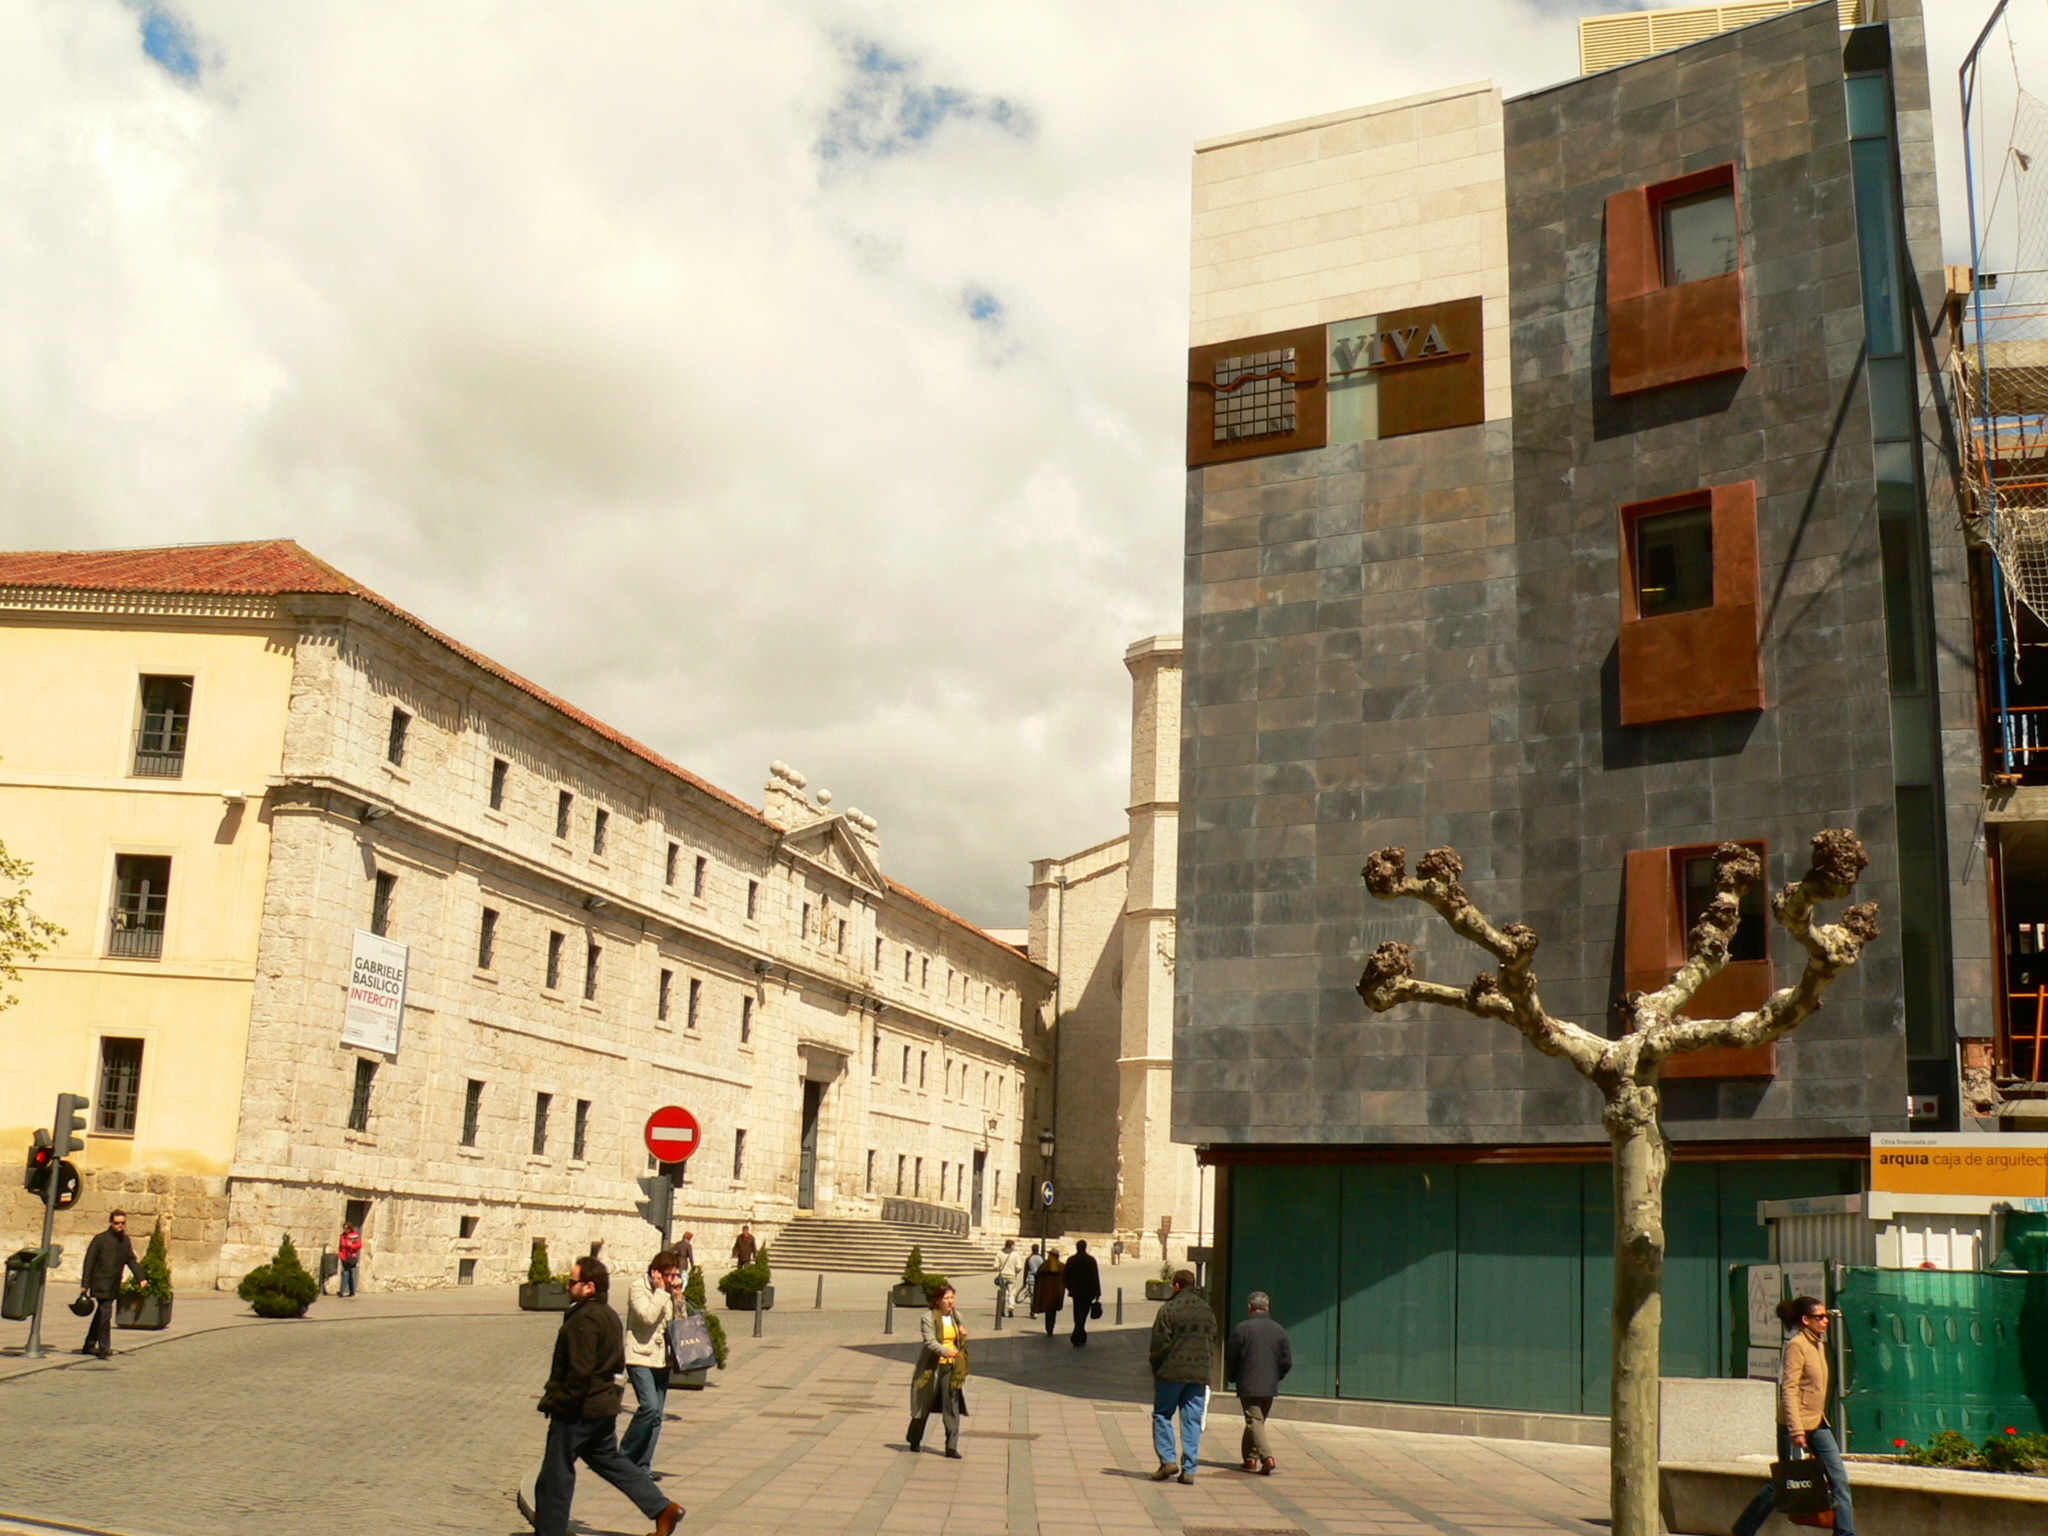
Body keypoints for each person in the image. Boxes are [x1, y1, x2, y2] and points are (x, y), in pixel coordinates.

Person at [532, 1256, 683, 1536]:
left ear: (589, 1287)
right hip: (602, 1406)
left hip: (580, 1410)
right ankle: (663, 1508)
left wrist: (559, 1402)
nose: (567, 1286)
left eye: (572, 1282)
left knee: (555, 1475)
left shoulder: (585, 1319)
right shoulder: (608, 1315)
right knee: (610, 1461)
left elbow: (579, 1371)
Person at [1731, 1296, 1856, 1536]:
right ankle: (1744, 1528)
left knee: (1838, 1477)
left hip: (1818, 1422)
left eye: (1826, 1316)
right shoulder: (1796, 1345)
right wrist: (1796, 1430)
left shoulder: (1817, 1344)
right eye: (1820, 1317)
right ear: (1805, 1320)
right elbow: (1789, 1389)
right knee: (1785, 1481)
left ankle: (1845, 1533)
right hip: (1795, 1424)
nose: (1826, 1320)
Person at [1149, 1269, 1215, 1484]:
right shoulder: (1206, 1309)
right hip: (1199, 1373)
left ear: (1176, 1285)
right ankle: (1189, 1469)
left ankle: (1168, 1460)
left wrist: (1156, 1368)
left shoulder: (1169, 1309)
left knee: (1162, 1415)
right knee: (1192, 1420)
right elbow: (1213, 1338)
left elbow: (1160, 1344)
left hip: (1171, 1372)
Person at [622, 1250, 683, 1473]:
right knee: (649, 1407)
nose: (672, 1280)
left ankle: (643, 1466)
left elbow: (679, 1324)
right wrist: (660, 1292)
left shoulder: (667, 1292)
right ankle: (623, 1456)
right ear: (655, 1273)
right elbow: (647, 1317)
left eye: (675, 1275)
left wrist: (678, 1299)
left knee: (657, 1415)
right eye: (668, 1275)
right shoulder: (638, 1287)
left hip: (662, 1359)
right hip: (640, 1355)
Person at [1226, 1291, 1292, 1474]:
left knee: (1254, 1420)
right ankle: (1250, 1458)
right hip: (1269, 1385)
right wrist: (1277, 1376)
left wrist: (1232, 1376)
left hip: (1248, 1383)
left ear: (1249, 1307)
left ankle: (1266, 1457)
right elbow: (1287, 1361)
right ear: (1267, 1308)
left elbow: (1231, 1357)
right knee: (1256, 1422)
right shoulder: (1279, 1330)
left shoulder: (1241, 1329)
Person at [906, 1282, 968, 1458]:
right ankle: (915, 1439)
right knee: (923, 1405)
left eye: (952, 1297)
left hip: (951, 1368)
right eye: (946, 1298)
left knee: (951, 1405)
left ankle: (951, 1446)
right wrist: (944, 1350)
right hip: (932, 1368)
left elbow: (959, 1341)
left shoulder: (957, 1317)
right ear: (937, 1300)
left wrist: (962, 1334)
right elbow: (929, 1341)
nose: (950, 1301)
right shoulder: (928, 1318)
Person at [78, 1210, 142, 1359]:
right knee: (106, 1312)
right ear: (111, 1223)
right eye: (117, 1223)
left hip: (113, 1284)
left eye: (122, 1223)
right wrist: (85, 1284)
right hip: (100, 1283)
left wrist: (141, 1277)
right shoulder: (100, 1239)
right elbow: (89, 1262)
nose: (120, 1226)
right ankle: (104, 1347)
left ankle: (89, 1344)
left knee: (101, 1314)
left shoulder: (125, 1241)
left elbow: (131, 1260)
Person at [1063, 1239, 1102, 1347]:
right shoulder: (1090, 1260)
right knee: (1083, 1313)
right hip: (1088, 1292)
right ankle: (1079, 1334)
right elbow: (1095, 1277)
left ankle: (1078, 1334)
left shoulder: (1072, 1260)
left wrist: (1069, 1288)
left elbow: (1066, 1276)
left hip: (1076, 1292)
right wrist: (1097, 1292)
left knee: (1077, 1313)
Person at [1034, 1248, 1065, 1336]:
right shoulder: (1061, 1266)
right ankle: (1051, 1328)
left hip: (1046, 1294)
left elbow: (1037, 1278)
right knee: (1053, 1312)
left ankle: (1049, 1329)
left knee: (1049, 1313)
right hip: (1057, 1295)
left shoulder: (1044, 1266)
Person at [993, 1239, 1022, 1318]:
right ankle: (1011, 1307)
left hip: (1002, 1276)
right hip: (1012, 1276)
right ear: (1011, 1246)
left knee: (1003, 1293)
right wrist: (1016, 1271)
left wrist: (1000, 1269)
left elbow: (995, 1266)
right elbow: (1019, 1267)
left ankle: (1002, 1309)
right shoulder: (1015, 1254)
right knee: (1012, 1293)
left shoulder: (1000, 1253)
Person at [337, 1221, 363, 1298]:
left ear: (350, 1228)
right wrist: (340, 1254)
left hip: (351, 1257)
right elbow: (341, 1246)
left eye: (347, 1228)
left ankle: (342, 1291)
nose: (346, 1230)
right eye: (344, 1228)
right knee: (349, 1273)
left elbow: (359, 1245)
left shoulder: (354, 1236)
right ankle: (352, 1291)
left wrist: (351, 1245)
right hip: (343, 1256)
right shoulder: (343, 1236)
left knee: (346, 1273)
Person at [1022, 1243, 1044, 1315]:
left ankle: (1033, 1310)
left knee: (1032, 1295)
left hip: (1031, 1279)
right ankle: (1036, 1310)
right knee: (1038, 1295)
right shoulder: (1041, 1258)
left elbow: (1026, 1271)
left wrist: (1024, 1282)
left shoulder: (1029, 1258)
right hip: (1040, 1279)